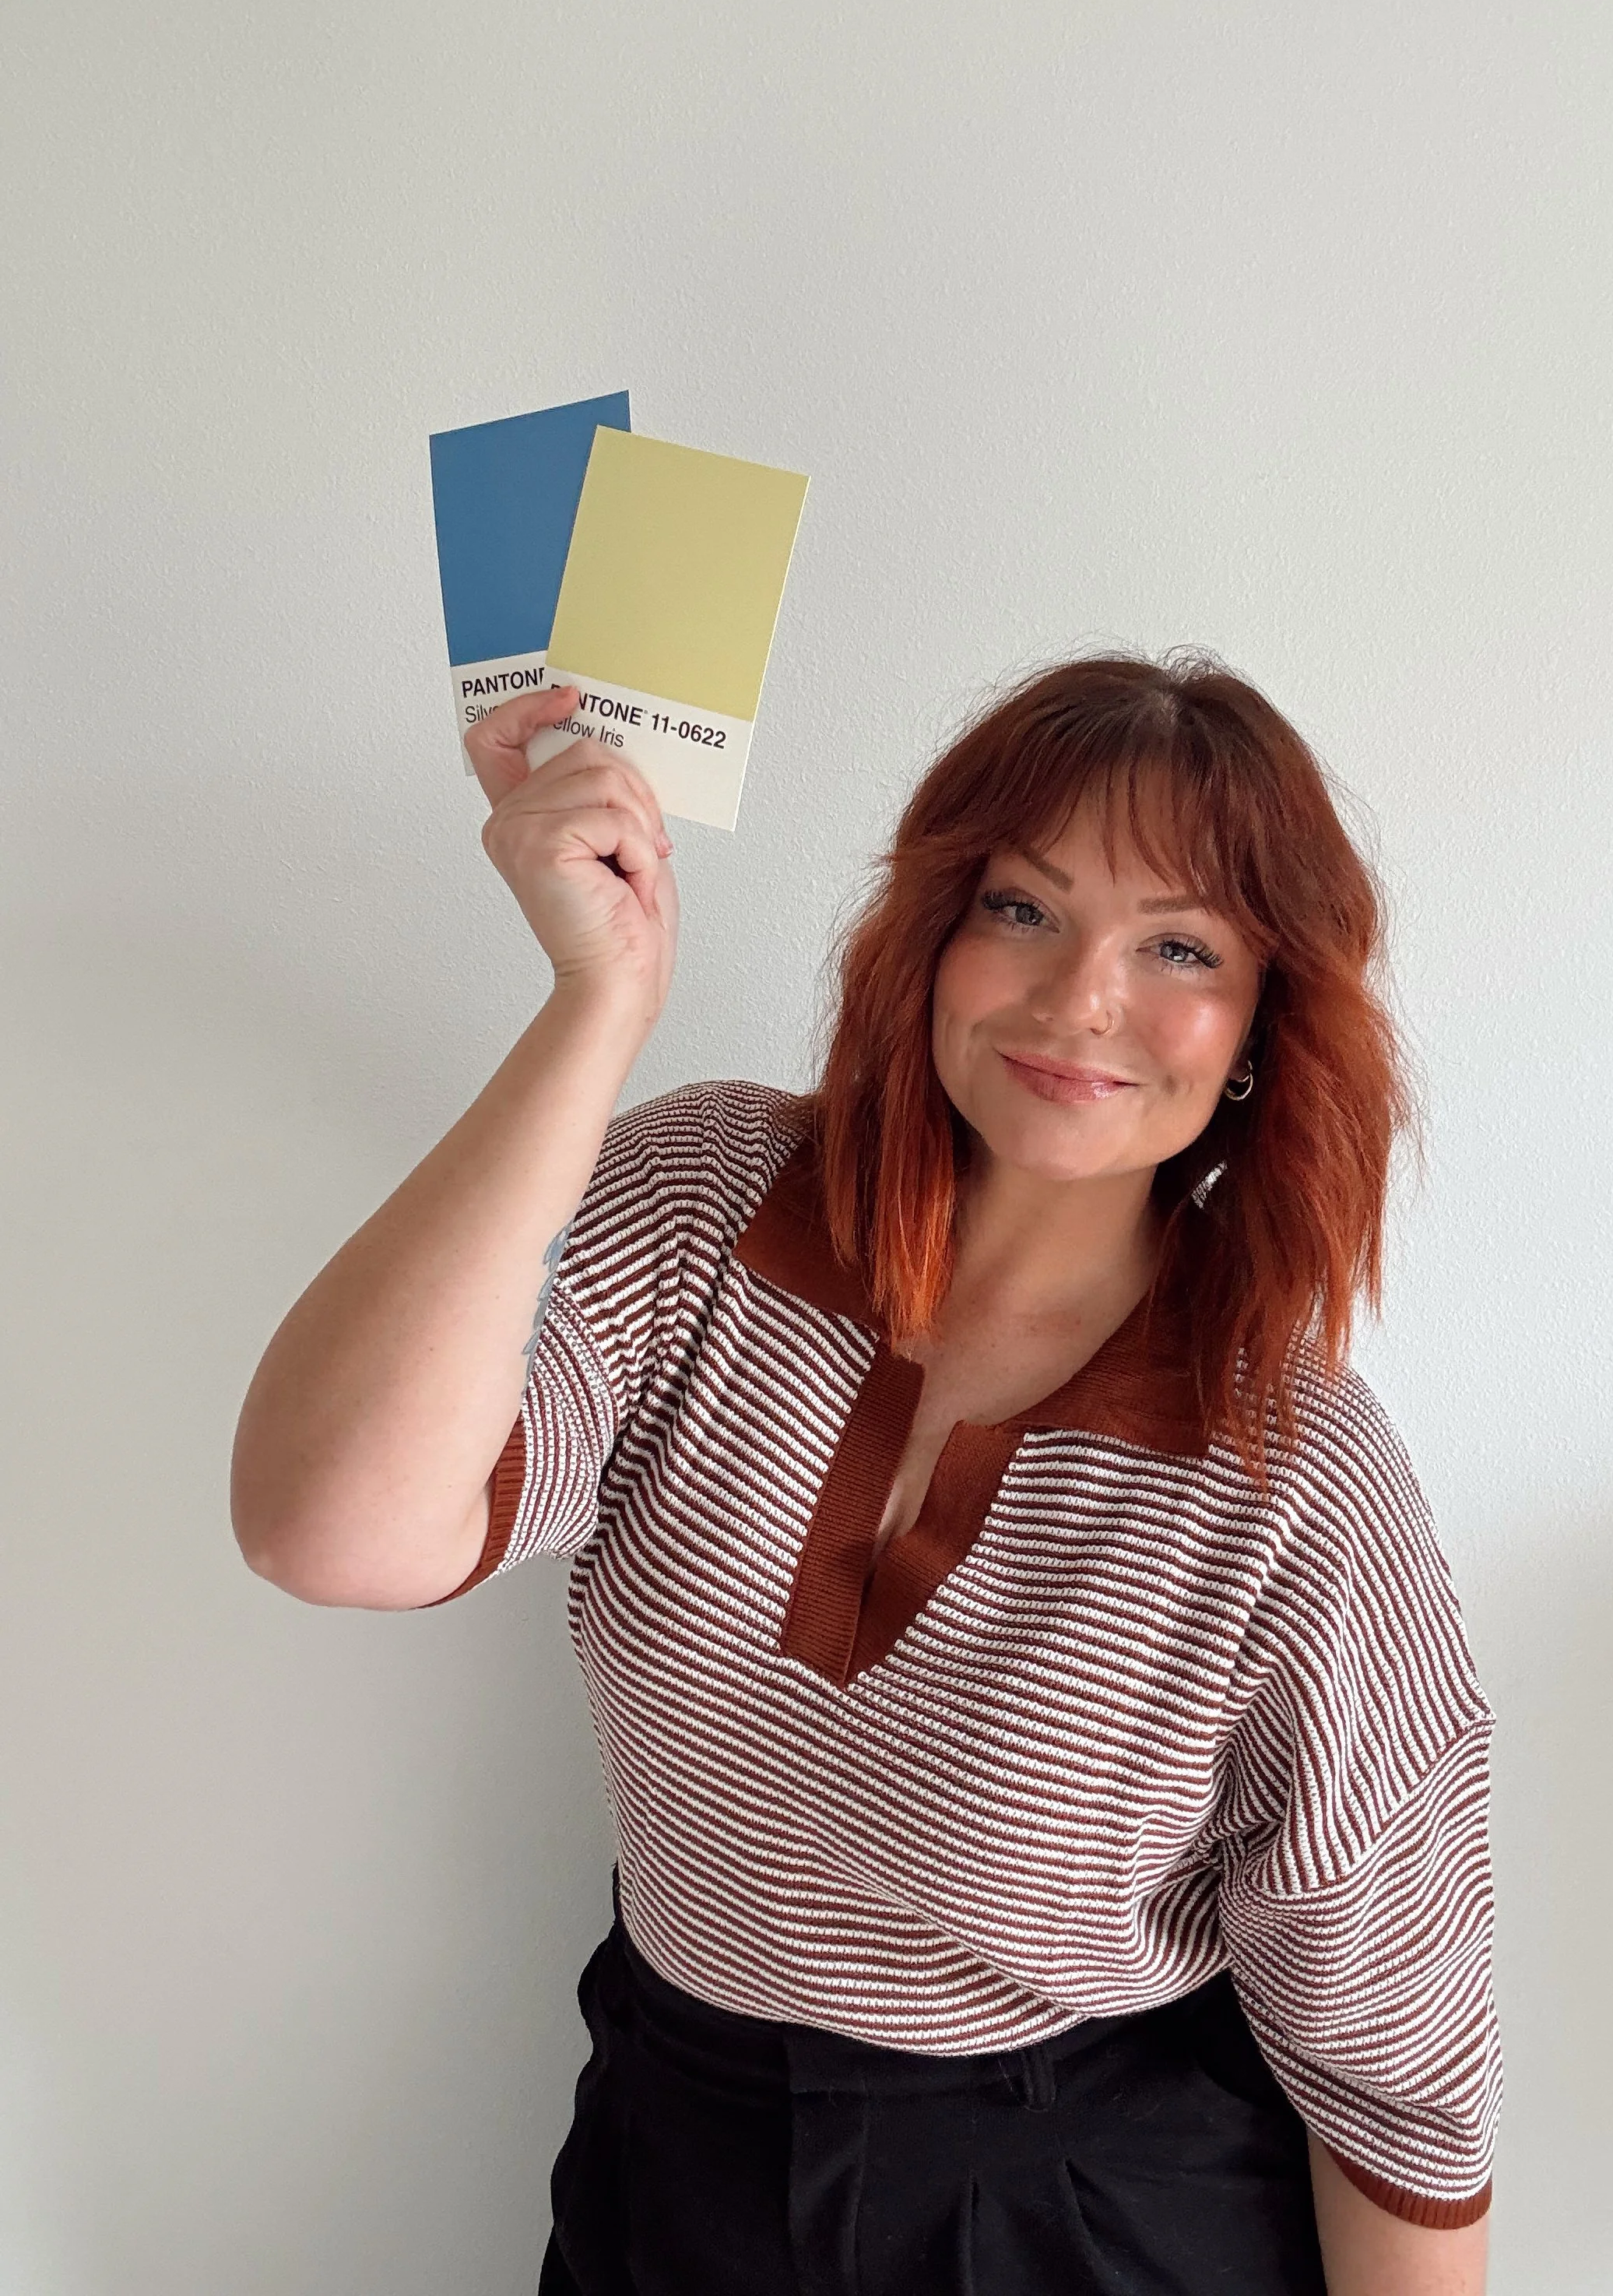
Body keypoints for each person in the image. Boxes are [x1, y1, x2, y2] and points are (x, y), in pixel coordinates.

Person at [232, 653, 1499, 2296]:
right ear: (932, 934)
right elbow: (329, 1525)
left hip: (1081, 2206)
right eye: (1024, 909)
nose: (1083, 999)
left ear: (1264, 1020)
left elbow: (1395, 2070)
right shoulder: (711, 1200)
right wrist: (595, 1004)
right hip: (673, 2143)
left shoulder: (1294, 1476)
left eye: (1180, 945)